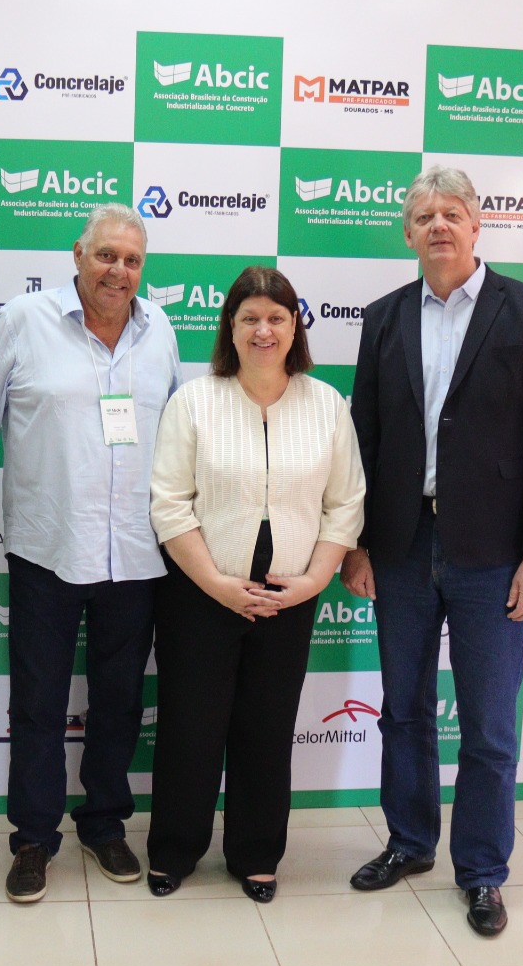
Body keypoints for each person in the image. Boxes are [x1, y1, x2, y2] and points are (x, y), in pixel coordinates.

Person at [343, 165, 523, 937]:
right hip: (401, 546)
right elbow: (366, 439)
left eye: (452, 213)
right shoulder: (383, 318)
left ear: (477, 226)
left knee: (489, 727)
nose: (438, 225)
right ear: (408, 233)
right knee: (403, 711)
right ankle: (409, 843)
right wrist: (359, 545)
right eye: (424, 216)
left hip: (494, 554)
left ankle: (481, 872)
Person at [0, 203, 182, 903]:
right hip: (47, 548)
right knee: (37, 703)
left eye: (132, 260)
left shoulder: (160, 331)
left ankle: (104, 823)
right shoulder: (23, 320)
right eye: (106, 255)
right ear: (78, 254)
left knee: (119, 702)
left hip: (136, 555)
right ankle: (33, 838)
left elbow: (179, 437)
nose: (119, 270)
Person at [145, 266, 364, 902]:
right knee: (190, 726)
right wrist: (216, 583)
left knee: (267, 729)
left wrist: (314, 580)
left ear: (295, 327)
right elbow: (169, 503)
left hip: (290, 594)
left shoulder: (326, 405)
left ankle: (257, 853)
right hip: (200, 590)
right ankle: (175, 849)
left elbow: (345, 503)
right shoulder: (194, 401)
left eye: (276, 318)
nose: (263, 330)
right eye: (250, 319)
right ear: (230, 328)